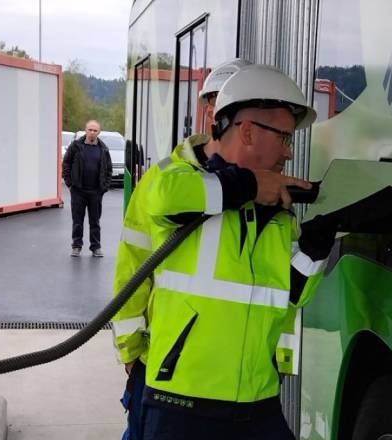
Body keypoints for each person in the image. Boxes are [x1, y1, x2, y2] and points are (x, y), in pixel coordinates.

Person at [139, 65, 336, 439]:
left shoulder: (278, 213)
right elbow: (166, 198)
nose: (289, 151)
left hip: (257, 404)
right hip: (182, 404)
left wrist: (315, 245)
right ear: (247, 131)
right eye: (284, 137)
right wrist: (247, 184)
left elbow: (289, 297)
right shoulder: (178, 175)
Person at [111, 59, 252, 440]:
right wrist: (131, 349)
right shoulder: (165, 180)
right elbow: (132, 267)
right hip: (158, 361)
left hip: (228, 374)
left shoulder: (260, 191)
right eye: (214, 103)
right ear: (207, 109)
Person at [62, 120, 112, 257]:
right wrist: (70, 184)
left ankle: (95, 247)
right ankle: (76, 246)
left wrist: (104, 187)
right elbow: (66, 163)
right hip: (78, 190)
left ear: (99, 132)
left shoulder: (103, 149)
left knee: (95, 221)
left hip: (96, 192)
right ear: (85, 130)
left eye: (95, 130)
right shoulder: (76, 146)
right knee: (77, 220)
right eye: (90, 129)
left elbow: (109, 169)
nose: (92, 132)